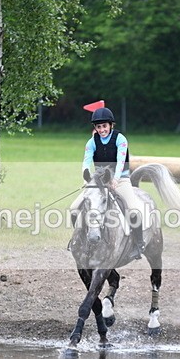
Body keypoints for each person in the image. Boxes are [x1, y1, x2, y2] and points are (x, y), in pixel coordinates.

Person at [70, 106, 146, 260]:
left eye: (104, 126)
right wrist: (86, 179)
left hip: (121, 179)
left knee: (132, 210)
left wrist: (116, 179)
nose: (102, 129)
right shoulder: (92, 142)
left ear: (111, 125)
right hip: (98, 180)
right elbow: (86, 162)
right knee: (73, 208)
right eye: (98, 127)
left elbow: (120, 162)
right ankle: (79, 240)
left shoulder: (120, 139)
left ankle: (139, 243)